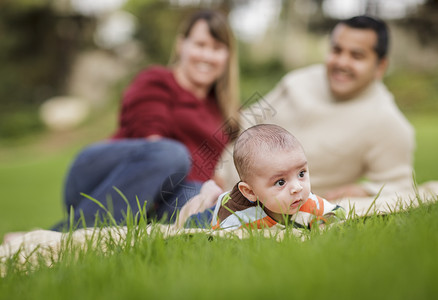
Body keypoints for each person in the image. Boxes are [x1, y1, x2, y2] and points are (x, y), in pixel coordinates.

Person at [52, 9, 239, 231]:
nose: (207, 56)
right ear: (181, 45)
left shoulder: (226, 111)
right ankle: (60, 234)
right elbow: (153, 143)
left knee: (214, 200)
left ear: (227, 56)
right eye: (200, 45)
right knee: (172, 154)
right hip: (103, 179)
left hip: (165, 196)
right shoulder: (156, 81)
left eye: (216, 48)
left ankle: (128, 229)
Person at [216, 15, 415, 202]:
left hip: (267, 209)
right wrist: (215, 171)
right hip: (215, 178)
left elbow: (401, 186)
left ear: (380, 66)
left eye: (357, 56)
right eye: (336, 50)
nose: (342, 62)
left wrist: (364, 191)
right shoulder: (297, 81)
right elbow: (247, 121)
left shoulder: (387, 121)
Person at [211, 124, 346, 230]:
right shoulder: (236, 217)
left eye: (301, 174)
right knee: (200, 214)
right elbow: (219, 239)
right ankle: (208, 196)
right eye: (281, 182)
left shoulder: (307, 202)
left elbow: (337, 213)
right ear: (250, 192)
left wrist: (323, 225)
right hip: (216, 209)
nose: (297, 188)